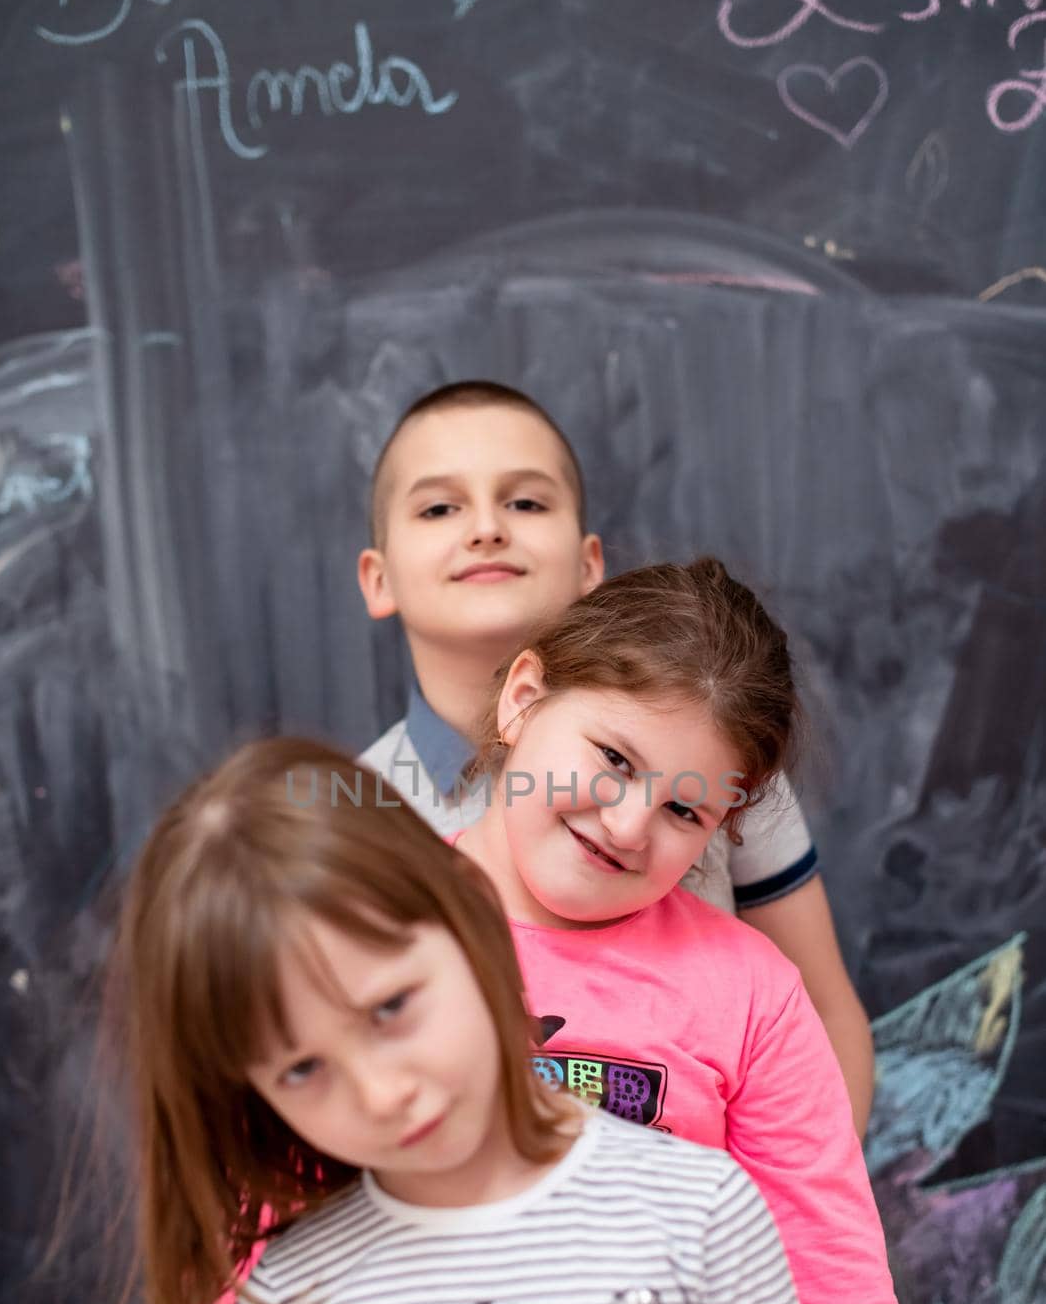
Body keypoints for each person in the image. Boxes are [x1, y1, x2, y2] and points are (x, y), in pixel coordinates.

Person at [112, 736, 857, 1304]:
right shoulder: (288, 1297)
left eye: (390, 1007)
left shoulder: (703, 1215)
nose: (380, 1091)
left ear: (468, 915)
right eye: (302, 1069)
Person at [452, 558, 939, 1304]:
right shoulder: (366, 934)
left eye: (685, 812)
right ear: (523, 696)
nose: (627, 824)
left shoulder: (750, 997)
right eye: (612, 759)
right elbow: (262, 1286)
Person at [357, 380, 875, 1134]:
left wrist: (792, 1224)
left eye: (526, 503)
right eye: (439, 508)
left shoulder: (718, 770)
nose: (486, 529)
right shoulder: (355, 818)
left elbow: (824, 1015)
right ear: (377, 577)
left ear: (589, 563)